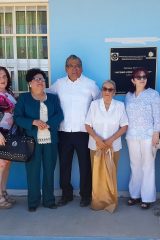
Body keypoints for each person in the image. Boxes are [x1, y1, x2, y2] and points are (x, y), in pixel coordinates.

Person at [49, 55, 100, 207]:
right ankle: (66, 195)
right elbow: (46, 98)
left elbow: (98, 104)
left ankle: (86, 195)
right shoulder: (58, 84)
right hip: (63, 132)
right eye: (71, 66)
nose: (74, 69)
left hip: (83, 132)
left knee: (85, 165)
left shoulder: (90, 84)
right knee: (64, 165)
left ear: (81, 68)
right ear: (66, 68)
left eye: (77, 65)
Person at [14, 68, 63, 212]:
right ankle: (33, 202)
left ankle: (49, 200)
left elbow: (59, 115)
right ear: (30, 83)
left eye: (42, 79)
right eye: (37, 79)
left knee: (49, 170)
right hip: (31, 142)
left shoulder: (53, 98)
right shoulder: (24, 98)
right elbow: (17, 117)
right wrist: (33, 122)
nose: (40, 81)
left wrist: (49, 124)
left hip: (50, 140)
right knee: (33, 172)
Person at [85, 80, 128, 212]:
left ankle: (110, 201)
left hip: (113, 146)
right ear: (102, 90)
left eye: (110, 90)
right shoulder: (94, 105)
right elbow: (87, 125)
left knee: (110, 174)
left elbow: (124, 126)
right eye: (105, 89)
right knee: (97, 175)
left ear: (114, 92)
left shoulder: (120, 106)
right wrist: (97, 138)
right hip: (95, 145)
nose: (107, 92)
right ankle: (98, 202)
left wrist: (111, 140)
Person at [125, 67, 160, 209]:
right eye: (138, 77)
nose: (142, 79)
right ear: (133, 80)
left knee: (148, 166)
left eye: (144, 77)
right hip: (132, 135)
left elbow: (157, 115)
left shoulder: (153, 94)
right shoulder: (128, 96)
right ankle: (135, 195)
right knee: (135, 165)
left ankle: (147, 198)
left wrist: (156, 133)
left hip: (148, 135)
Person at [0, 66, 16, 209]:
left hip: (10, 135)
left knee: (7, 166)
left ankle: (4, 192)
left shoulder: (9, 93)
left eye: (4, 76)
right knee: (0, 166)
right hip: (0, 135)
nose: (2, 79)